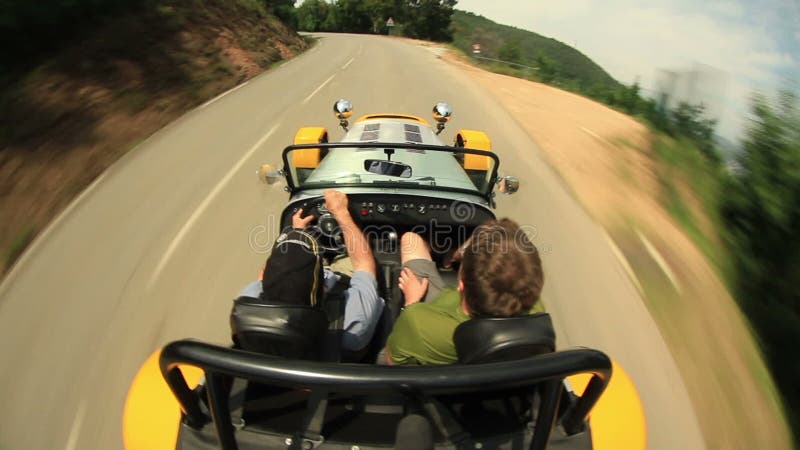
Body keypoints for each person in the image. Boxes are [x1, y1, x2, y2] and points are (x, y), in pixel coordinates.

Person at [238, 189, 384, 353]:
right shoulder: (352, 324)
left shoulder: (249, 304)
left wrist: (295, 233)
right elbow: (364, 264)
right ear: (322, 287)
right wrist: (341, 213)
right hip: (342, 281)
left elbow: (266, 272)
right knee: (360, 247)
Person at [385, 218, 545, 365]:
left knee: (411, 240)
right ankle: (453, 254)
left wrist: (411, 302)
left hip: (432, 318)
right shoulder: (535, 312)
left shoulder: (417, 322)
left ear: (460, 284)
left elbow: (392, 361)